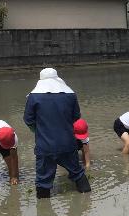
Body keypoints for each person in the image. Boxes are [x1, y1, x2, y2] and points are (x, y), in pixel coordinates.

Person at [23, 68, 91, 198]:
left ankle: (45, 212)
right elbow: (76, 117)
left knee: (43, 180)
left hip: (45, 146)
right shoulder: (70, 95)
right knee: (77, 172)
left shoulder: (34, 96)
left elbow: (28, 120)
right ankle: (86, 198)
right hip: (68, 143)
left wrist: (39, 130)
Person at [0, 121, 19, 185]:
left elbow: (14, 157)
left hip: (3, 137)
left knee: (9, 160)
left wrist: (14, 177)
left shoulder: (13, 137)